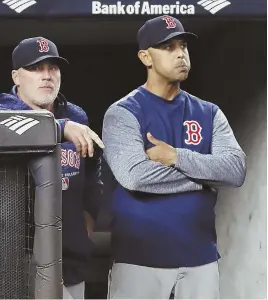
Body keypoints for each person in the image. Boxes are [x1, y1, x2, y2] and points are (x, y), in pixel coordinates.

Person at [102, 15, 247, 299]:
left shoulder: (209, 112)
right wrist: (206, 178)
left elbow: (235, 169)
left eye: (183, 46)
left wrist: (176, 157)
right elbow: (135, 175)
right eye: (168, 47)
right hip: (138, 259)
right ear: (146, 57)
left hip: (200, 257)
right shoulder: (123, 113)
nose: (180, 53)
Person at [0, 37, 104, 299]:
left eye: (52, 68)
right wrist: (58, 127)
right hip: (16, 258)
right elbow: (12, 129)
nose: (46, 76)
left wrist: (89, 212)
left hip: (69, 255)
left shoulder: (76, 116)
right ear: (16, 77)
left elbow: (91, 170)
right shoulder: (4, 110)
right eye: (35, 69)